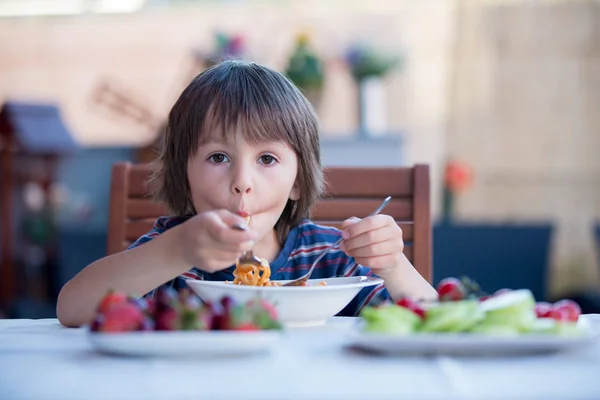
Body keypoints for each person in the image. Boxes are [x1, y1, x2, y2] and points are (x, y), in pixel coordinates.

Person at [56, 59, 436, 327]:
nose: (242, 181)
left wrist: (392, 266)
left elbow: (431, 319)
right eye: (218, 156)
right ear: (183, 173)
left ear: (298, 181)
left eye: (267, 159)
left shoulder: (328, 257)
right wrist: (174, 251)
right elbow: (71, 309)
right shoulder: (173, 251)